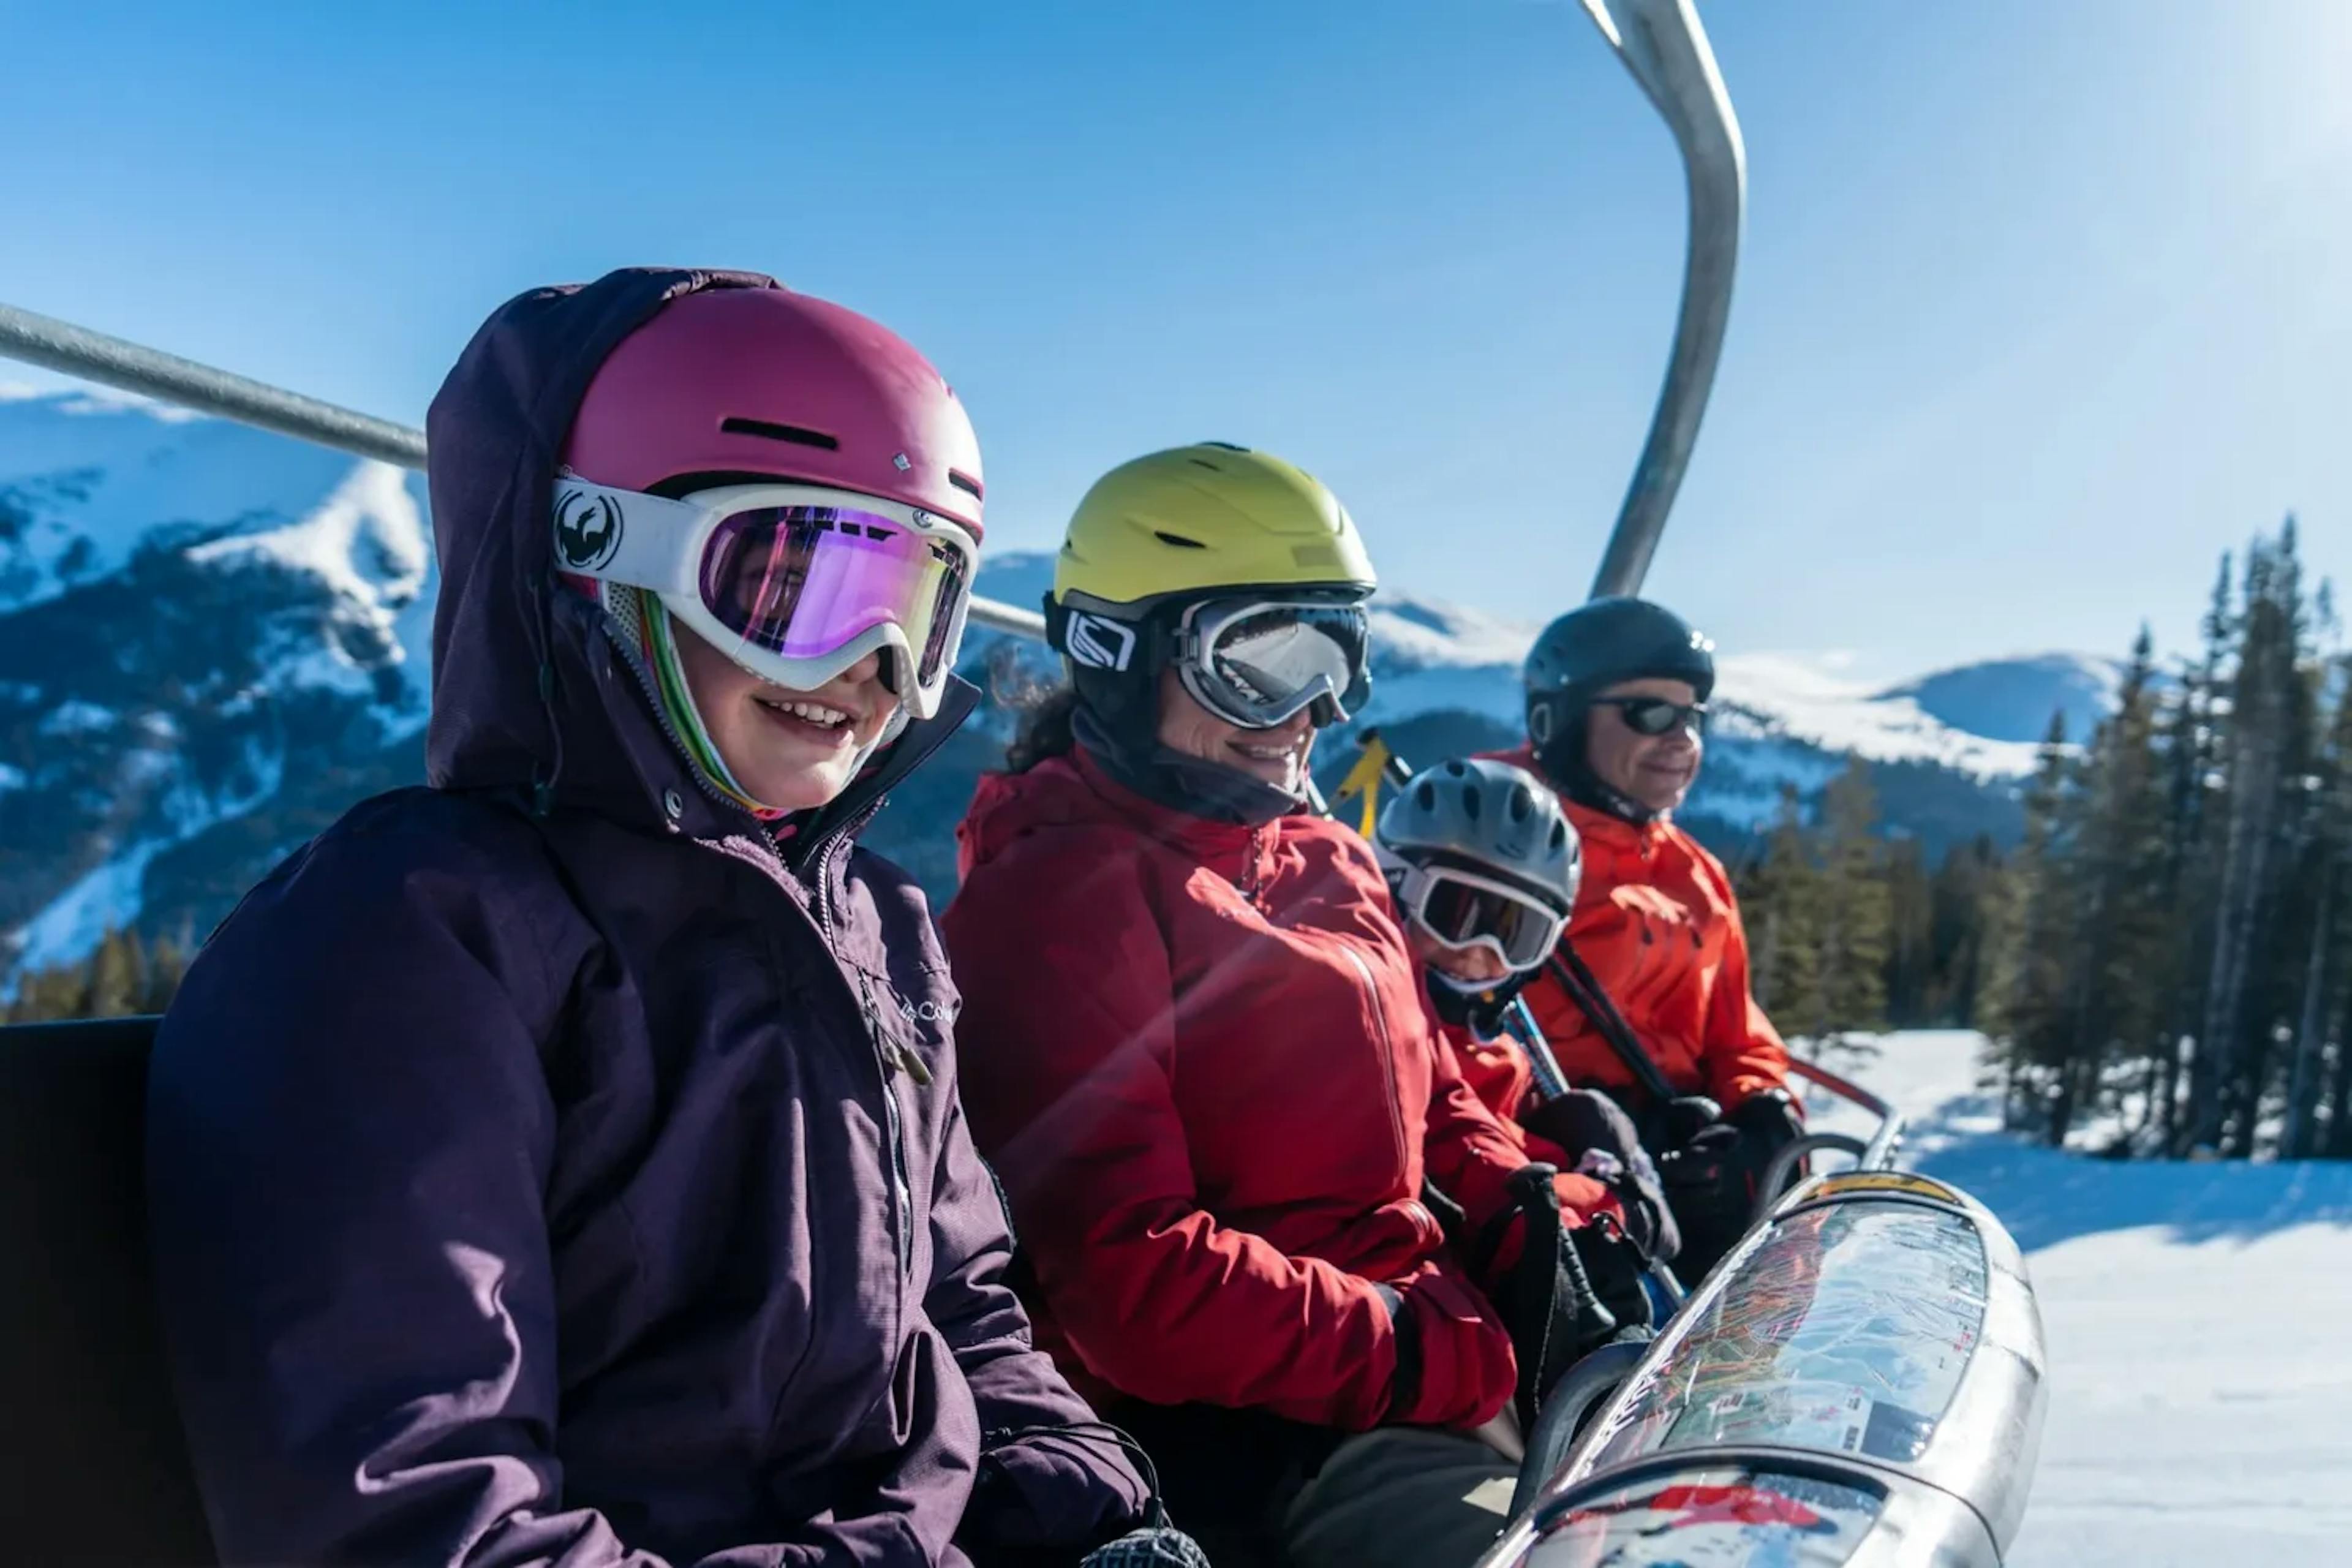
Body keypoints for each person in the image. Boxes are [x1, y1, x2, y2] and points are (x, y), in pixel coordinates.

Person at [144, 271, 1161, 1567]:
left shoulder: (877, 926)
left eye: (918, 606)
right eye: (796, 583)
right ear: (587, 550)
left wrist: (1093, 1513)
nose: (871, 667)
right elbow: (415, 1513)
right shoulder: (409, 944)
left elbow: (962, 1310)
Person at [940, 444, 1645, 1568]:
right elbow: (1132, 1283)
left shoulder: (1328, 857)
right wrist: (1421, 1352)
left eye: (1338, 657)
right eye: (1259, 663)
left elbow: (1430, 1085)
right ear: (1117, 654)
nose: (1312, 710)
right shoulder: (1058, 897)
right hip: (1256, 1432)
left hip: (1422, 1353)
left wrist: (1524, 1198)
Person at [1488, 596, 1805, 1283]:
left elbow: (1737, 1031)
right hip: (1552, 1167)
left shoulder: (1694, 873)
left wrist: (1759, 1110)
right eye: (1650, 713)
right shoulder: (1491, 834)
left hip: (1672, 1159)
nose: (1682, 739)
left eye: (1692, 717)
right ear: (1561, 720)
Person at [1370, 756, 1678, 1316]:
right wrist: (1607, 1202)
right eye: (1459, 913)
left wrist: (1596, 1144)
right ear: (1393, 891)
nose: (1481, 951)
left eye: (1518, 933)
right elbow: (1468, 1177)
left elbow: (1507, 1145)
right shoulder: (1372, 1027)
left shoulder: (1499, 1049)